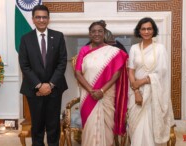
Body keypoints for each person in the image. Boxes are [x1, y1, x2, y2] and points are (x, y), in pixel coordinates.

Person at [18, 5, 68, 146]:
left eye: (44, 17)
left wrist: (50, 85)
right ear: (33, 19)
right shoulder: (25, 39)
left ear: (49, 19)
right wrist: (39, 85)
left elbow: (62, 62)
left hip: (55, 88)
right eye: (38, 17)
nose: (41, 20)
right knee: (37, 126)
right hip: (34, 89)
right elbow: (24, 65)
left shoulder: (58, 36)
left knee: (53, 126)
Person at [74, 20, 128, 146]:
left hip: (107, 94)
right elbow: (77, 73)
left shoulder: (114, 52)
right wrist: (91, 91)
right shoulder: (84, 50)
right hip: (88, 95)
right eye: (93, 31)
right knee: (89, 127)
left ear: (104, 33)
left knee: (107, 127)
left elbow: (117, 73)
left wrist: (102, 91)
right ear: (89, 34)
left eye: (100, 31)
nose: (96, 34)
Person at [127, 17, 174, 146]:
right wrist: (136, 90)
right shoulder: (134, 48)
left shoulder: (160, 48)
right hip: (135, 91)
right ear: (139, 31)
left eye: (149, 28)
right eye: (143, 29)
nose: (146, 31)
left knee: (151, 126)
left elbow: (162, 72)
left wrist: (142, 81)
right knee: (136, 127)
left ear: (153, 31)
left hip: (154, 93)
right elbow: (130, 71)